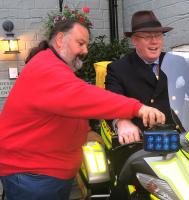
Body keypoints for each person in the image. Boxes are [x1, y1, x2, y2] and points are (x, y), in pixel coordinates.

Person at [0, 19, 165, 200]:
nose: (85, 50)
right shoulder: (46, 68)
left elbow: (66, 107)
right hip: (34, 176)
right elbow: (83, 97)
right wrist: (137, 108)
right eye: (80, 43)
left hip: (43, 173)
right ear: (60, 39)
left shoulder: (52, 66)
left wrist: (85, 131)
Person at [105, 10, 175, 145]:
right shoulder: (118, 69)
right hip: (140, 143)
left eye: (158, 35)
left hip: (177, 139)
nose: (154, 41)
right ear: (134, 40)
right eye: (147, 37)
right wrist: (121, 121)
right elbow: (110, 102)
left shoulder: (175, 62)